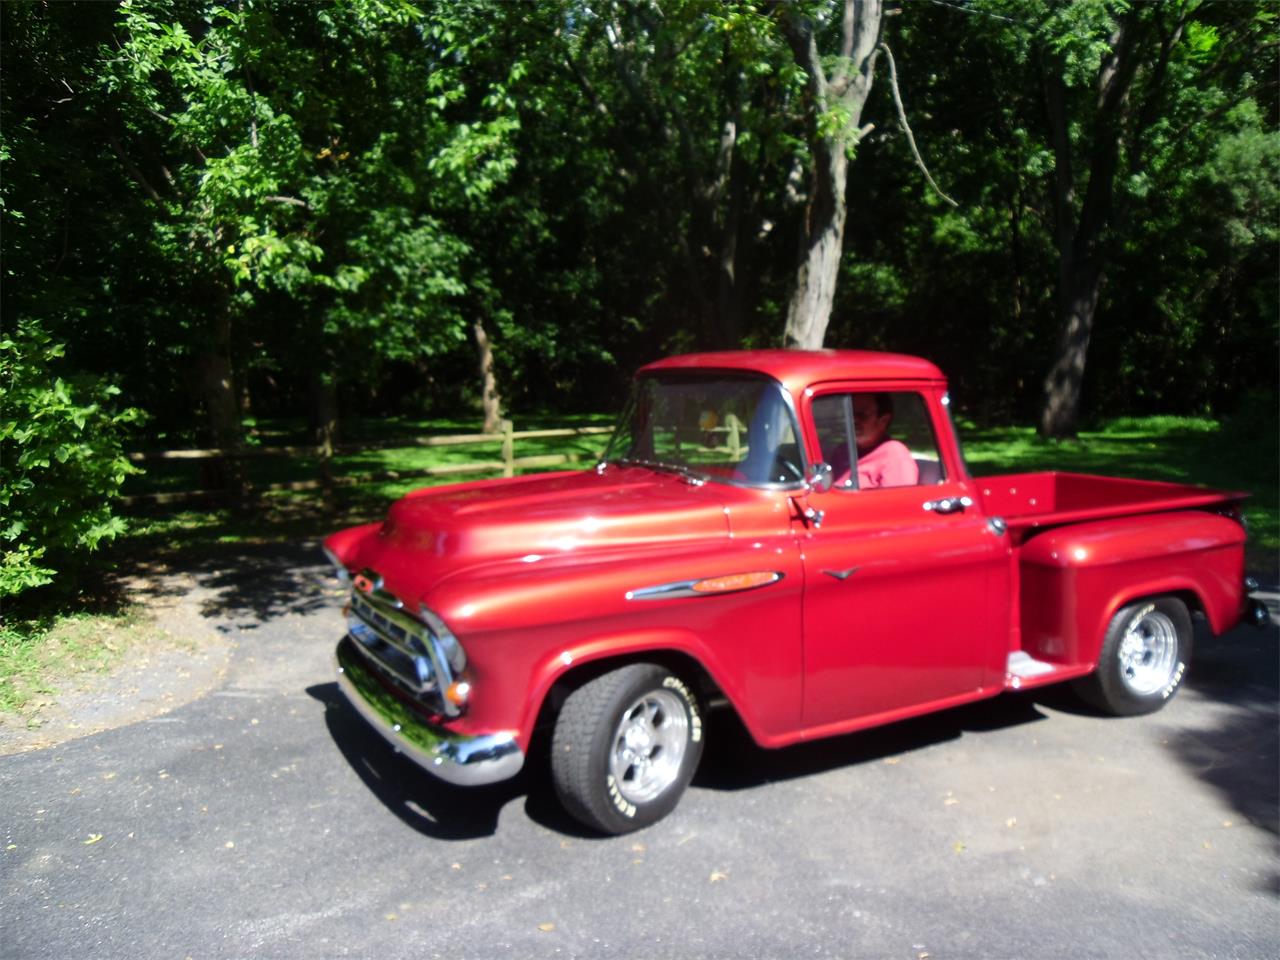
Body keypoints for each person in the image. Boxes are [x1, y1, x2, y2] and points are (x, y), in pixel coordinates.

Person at [852, 393, 918, 489]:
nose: (853, 420)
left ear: (883, 421)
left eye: (862, 415)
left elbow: (901, 497)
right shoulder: (841, 451)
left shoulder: (894, 453)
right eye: (850, 413)